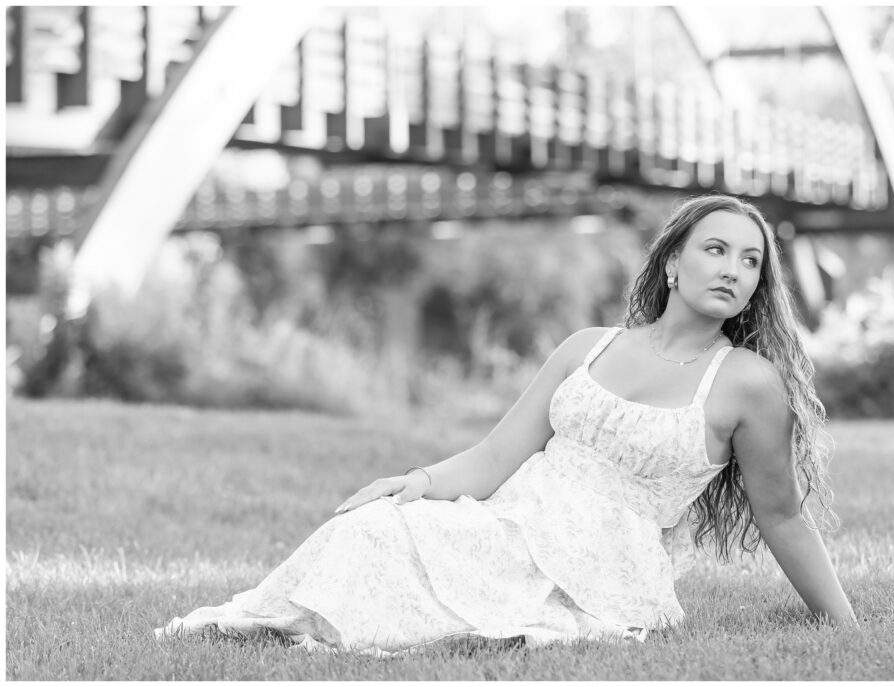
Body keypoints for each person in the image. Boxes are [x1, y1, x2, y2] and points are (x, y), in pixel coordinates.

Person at [156, 194, 856, 655]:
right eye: (716, 249)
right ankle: (280, 623)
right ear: (672, 262)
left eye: (751, 259)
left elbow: (783, 515)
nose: (734, 268)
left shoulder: (748, 384)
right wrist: (416, 480)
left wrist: (846, 628)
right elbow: (496, 457)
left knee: (461, 614)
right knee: (368, 527)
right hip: (511, 519)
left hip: (602, 567)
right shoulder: (588, 346)